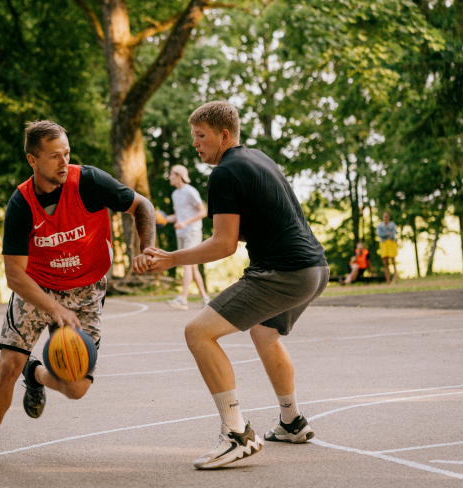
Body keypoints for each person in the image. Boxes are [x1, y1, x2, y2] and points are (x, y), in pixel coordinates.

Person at [136, 102, 329, 470]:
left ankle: (237, 435)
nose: (195, 144)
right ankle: (292, 422)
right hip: (315, 268)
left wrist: (170, 258)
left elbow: (224, 244)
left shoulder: (225, 173)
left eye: (201, 135)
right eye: (193, 136)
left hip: (284, 272)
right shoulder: (258, 158)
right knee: (264, 334)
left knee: (198, 333)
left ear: (224, 135)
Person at [0, 120, 155, 470]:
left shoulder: (90, 182)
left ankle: (34, 375)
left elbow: (143, 206)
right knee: (6, 367)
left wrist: (148, 248)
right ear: (32, 160)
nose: (64, 162)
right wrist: (53, 308)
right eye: (53, 156)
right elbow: (14, 275)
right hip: (36, 287)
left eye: (66, 153)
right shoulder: (21, 204)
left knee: (77, 387)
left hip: (85, 289)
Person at [164, 164, 210, 311]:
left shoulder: (190, 191)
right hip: (182, 233)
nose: (169, 177)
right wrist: (161, 219)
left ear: (178, 176)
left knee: (186, 264)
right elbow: (177, 217)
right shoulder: (175, 194)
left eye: (171, 174)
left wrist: (185, 223)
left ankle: (183, 299)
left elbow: (203, 212)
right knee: (193, 267)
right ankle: (205, 298)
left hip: (193, 231)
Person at [377, 211, 398, 283]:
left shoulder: (392, 225)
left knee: (393, 261)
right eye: (384, 216)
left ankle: (395, 279)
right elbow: (379, 234)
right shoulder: (380, 225)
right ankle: (388, 279)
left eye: (387, 216)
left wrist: (385, 235)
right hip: (383, 244)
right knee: (386, 263)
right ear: (383, 217)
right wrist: (387, 234)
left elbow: (393, 234)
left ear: (389, 217)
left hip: (391, 243)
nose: (386, 218)